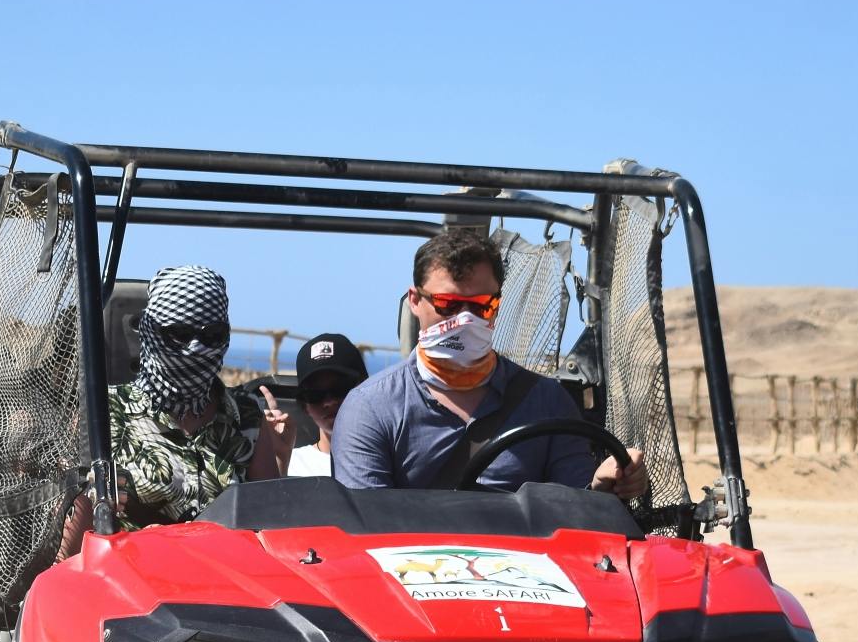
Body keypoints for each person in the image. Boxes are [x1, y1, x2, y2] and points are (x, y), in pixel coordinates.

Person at [329, 227, 646, 497]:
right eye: (447, 305)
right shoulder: (371, 408)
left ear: (498, 304)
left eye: (481, 306)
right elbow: (364, 526)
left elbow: (576, 512)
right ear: (415, 301)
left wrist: (605, 486)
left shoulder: (547, 401)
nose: (464, 320)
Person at [62, 266, 293, 556]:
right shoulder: (104, 415)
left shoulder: (246, 418)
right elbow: (70, 544)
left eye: (212, 335)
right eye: (180, 334)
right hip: (129, 589)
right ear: (150, 330)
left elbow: (275, 526)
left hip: (227, 589)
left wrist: (283, 456)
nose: (195, 349)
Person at [286, 333, 367, 478]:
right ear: (304, 405)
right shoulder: (291, 464)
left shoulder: (394, 460)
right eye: (314, 394)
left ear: (366, 387)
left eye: (341, 388)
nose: (329, 402)